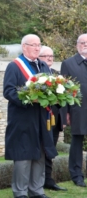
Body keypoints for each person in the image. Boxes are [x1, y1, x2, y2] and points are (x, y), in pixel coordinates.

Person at [3, 34, 57, 198]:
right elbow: (9, 91)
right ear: (24, 47)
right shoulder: (14, 66)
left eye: (38, 45)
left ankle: (36, 190)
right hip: (23, 119)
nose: (36, 48)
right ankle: (20, 191)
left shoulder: (43, 66)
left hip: (41, 118)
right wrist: (29, 99)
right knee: (23, 156)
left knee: (40, 154)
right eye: (33, 45)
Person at [39, 46, 67, 191]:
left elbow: (64, 99)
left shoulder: (57, 75)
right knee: (40, 151)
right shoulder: (37, 76)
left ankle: (48, 180)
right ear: (39, 57)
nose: (50, 58)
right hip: (41, 120)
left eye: (51, 56)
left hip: (55, 119)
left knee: (51, 150)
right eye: (46, 56)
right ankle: (38, 181)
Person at [60, 33, 87, 187]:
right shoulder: (68, 64)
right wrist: (65, 114)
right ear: (77, 45)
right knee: (77, 143)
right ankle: (77, 176)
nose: (85, 45)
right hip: (78, 110)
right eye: (82, 42)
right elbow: (63, 91)